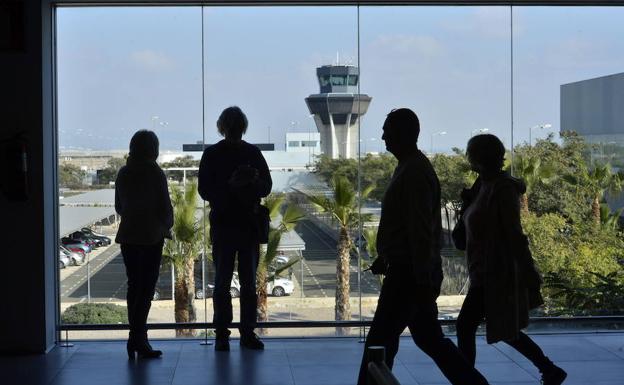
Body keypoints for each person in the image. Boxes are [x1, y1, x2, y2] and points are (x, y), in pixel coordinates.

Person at [357, 108, 489, 385]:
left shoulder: (413, 171)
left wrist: (419, 275)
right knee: (430, 340)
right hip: (411, 270)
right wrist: (388, 257)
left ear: (403, 134)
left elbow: (419, 229)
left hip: (408, 274)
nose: (382, 137)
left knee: (379, 342)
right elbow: (411, 227)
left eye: (387, 131)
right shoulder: (410, 166)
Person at [455, 134, 567, 385]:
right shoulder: (481, 185)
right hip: (483, 271)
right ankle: (548, 369)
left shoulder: (502, 189)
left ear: (479, 157)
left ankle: (466, 380)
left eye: (471, 153)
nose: (469, 158)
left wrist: (528, 270)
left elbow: (514, 234)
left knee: (467, 326)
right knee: (505, 329)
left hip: (495, 272)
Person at [198, 106, 272, 351]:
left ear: (221, 127)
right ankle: (247, 333)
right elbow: (266, 188)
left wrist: (228, 187)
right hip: (249, 225)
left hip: (223, 225)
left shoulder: (211, 155)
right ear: (244, 126)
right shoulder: (253, 153)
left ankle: (221, 334)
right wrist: (250, 181)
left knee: (222, 282)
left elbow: (204, 191)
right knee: (249, 283)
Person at [115, 130, 173, 359]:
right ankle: (139, 340)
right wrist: (166, 225)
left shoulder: (123, 173)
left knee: (134, 287)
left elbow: (119, 207)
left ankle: (135, 339)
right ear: (153, 149)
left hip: (128, 236)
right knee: (146, 289)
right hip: (151, 237)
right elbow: (165, 209)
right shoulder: (155, 173)